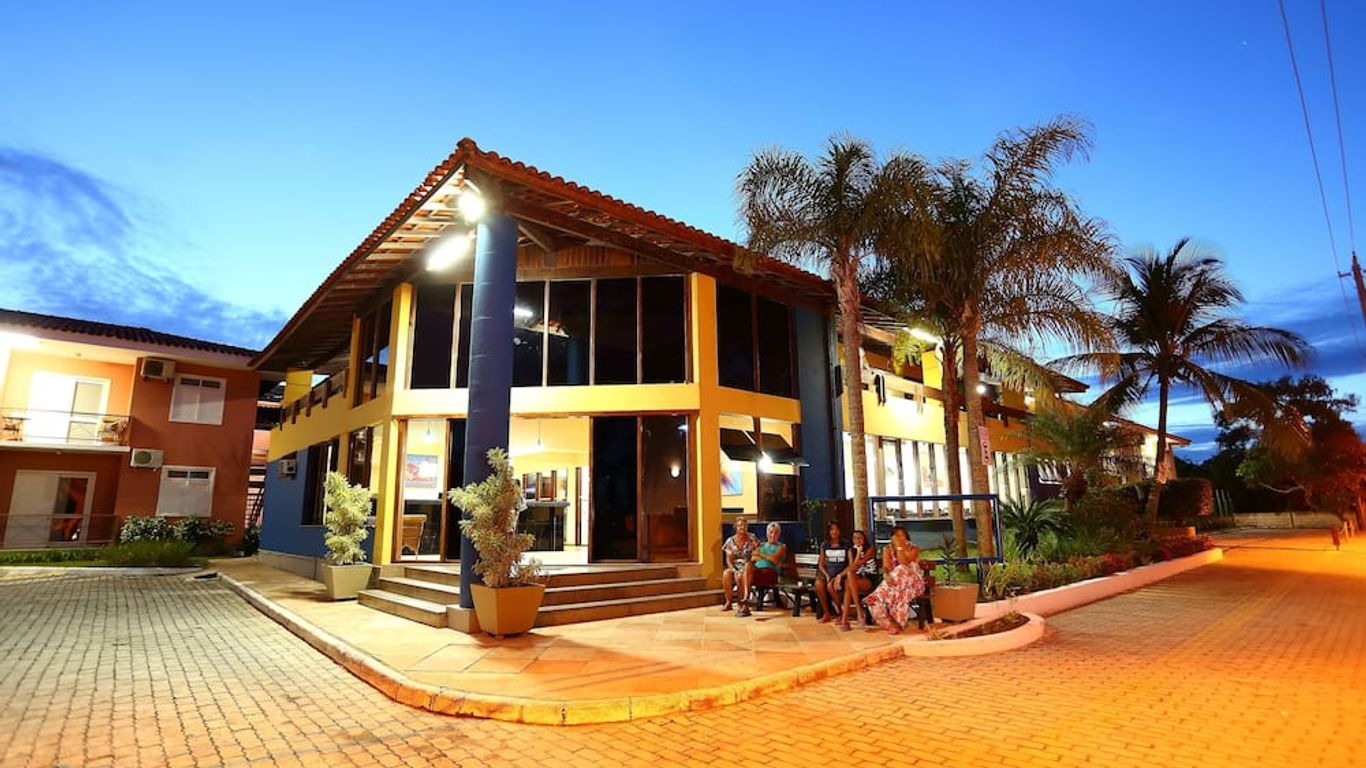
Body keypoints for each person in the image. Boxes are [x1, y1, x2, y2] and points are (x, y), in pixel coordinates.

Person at [863, 526, 925, 634]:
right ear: (892, 537)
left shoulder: (913, 548)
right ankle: (892, 624)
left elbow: (904, 563)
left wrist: (899, 547)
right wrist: (886, 575)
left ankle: (879, 596)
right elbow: (886, 567)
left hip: (912, 583)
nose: (900, 538)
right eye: (897, 536)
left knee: (901, 569)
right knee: (895, 594)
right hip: (896, 586)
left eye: (902, 535)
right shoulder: (887, 549)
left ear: (907, 537)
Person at [838, 529, 879, 631]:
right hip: (858, 578)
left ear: (864, 539)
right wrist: (839, 576)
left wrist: (860, 552)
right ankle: (855, 613)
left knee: (849, 582)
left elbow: (857, 565)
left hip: (870, 578)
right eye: (855, 538)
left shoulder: (870, 549)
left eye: (859, 538)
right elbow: (852, 568)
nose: (857, 540)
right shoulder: (852, 550)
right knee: (849, 581)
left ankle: (849, 617)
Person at [721, 517, 760, 616]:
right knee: (726, 574)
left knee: (742, 574)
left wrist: (754, 547)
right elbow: (728, 560)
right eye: (740, 525)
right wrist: (734, 570)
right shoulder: (730, 541)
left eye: (745, 525)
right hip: (735, 566)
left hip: (749, 565)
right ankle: (728, 602)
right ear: (736, 527)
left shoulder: (752, 537)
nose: (742, 527)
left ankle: (742, 603)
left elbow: (757, 553)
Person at [814, 522, 849, 623]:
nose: (834, 532)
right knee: (819, 584)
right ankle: (827, 613)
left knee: (830, 586)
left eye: (836, 529)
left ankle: (841, 612)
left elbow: (850, 564)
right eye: (832, 529)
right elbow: (821, 564)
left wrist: (840, 575)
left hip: (841, 573)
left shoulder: (845, 544)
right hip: (828, 573)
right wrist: (826, 575)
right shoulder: (825, 545)